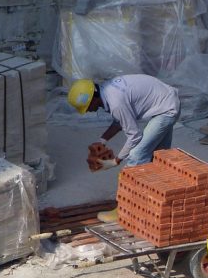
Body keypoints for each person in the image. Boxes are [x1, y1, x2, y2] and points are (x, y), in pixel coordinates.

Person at [67, 74, 181, 221]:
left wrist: (116, 161)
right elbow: (119, 121)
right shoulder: (108, 91)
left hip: (166, 110)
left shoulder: (115, 103)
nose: (88, 111)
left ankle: (124, 210)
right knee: (158, 158)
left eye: (87, 107)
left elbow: (135, 135)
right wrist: (102, 140)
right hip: (167, 101)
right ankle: (157, 204)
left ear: (93, 99)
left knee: (136, 157)